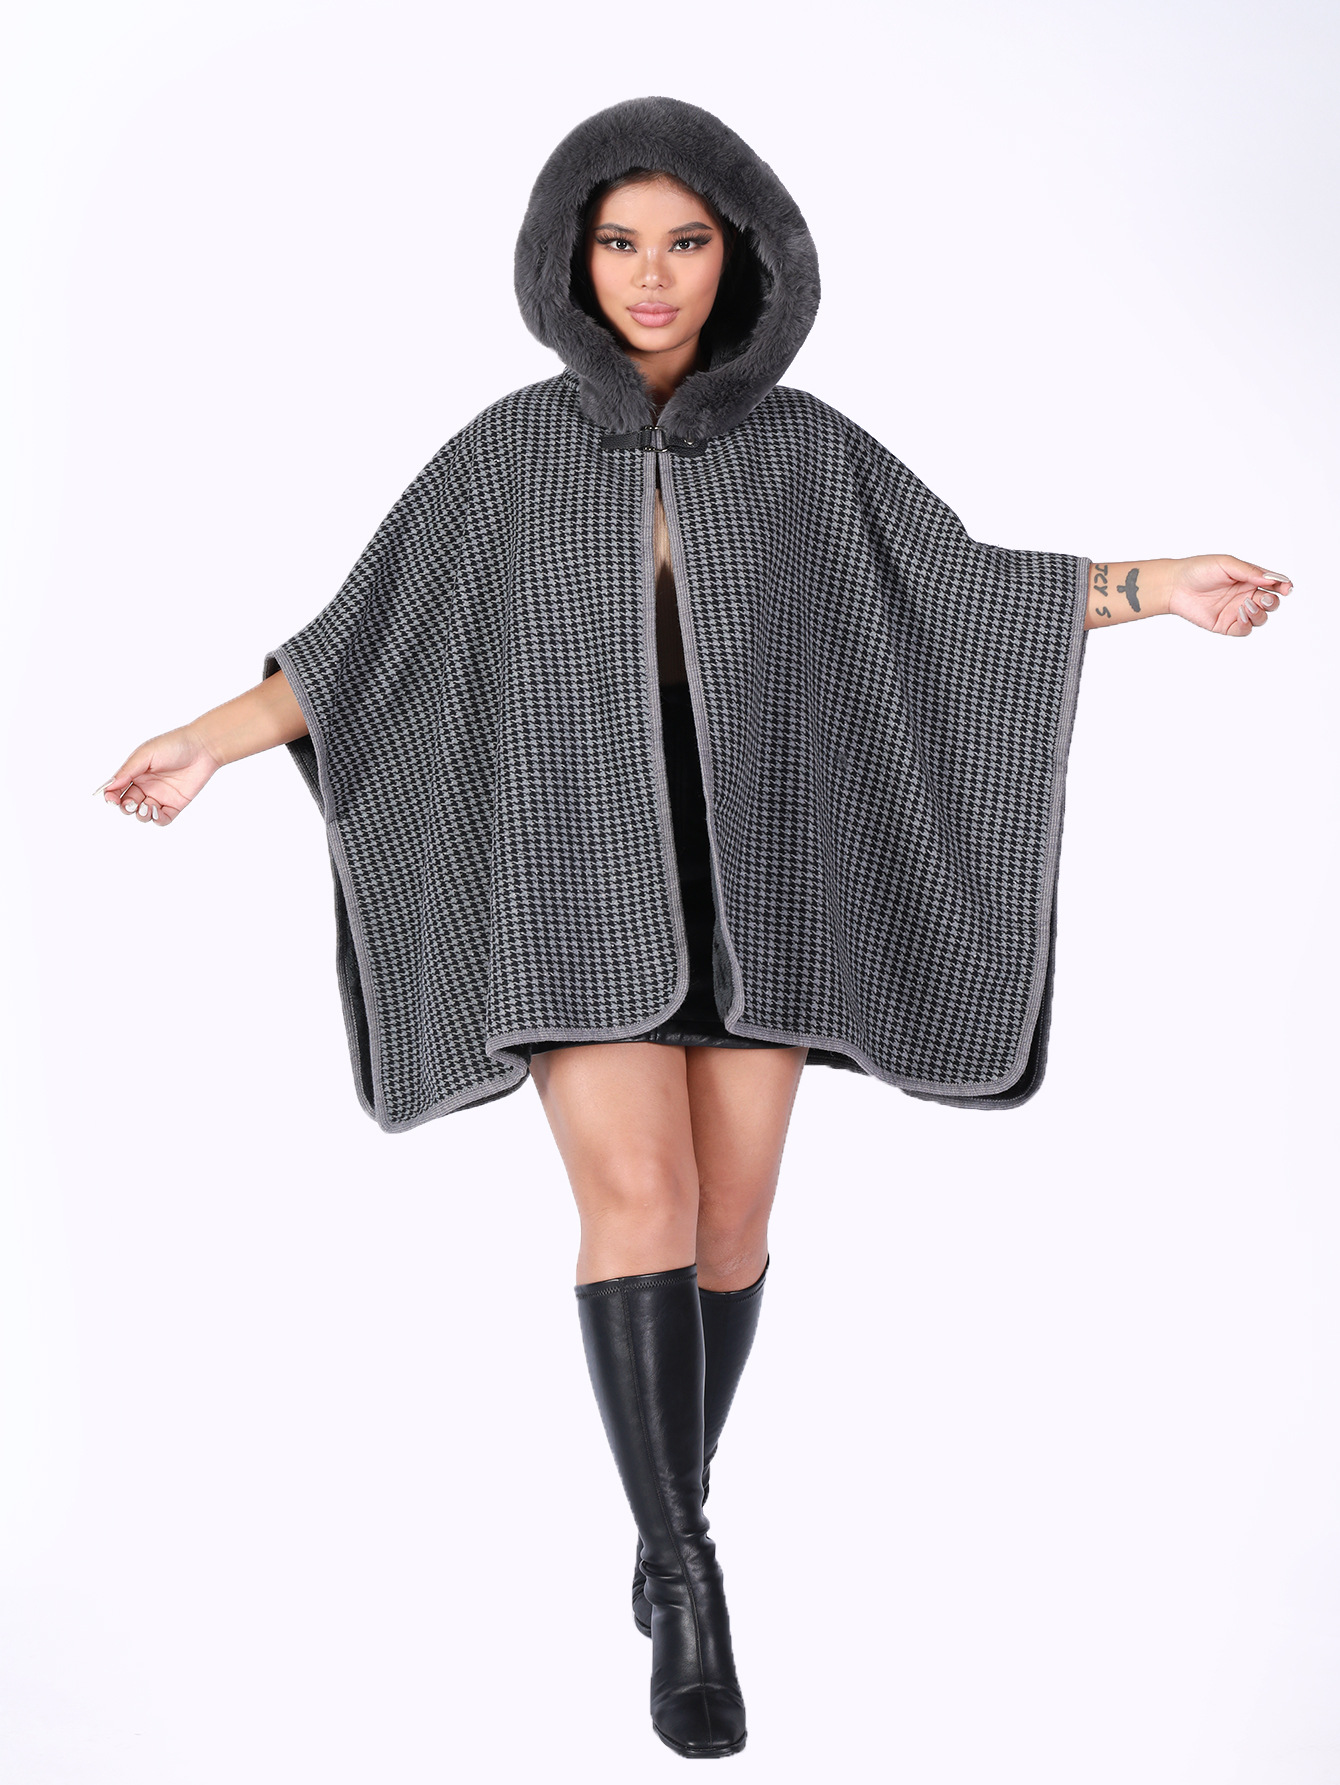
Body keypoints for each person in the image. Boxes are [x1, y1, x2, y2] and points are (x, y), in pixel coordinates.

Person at [96, 97, 1292, 1761]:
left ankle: (667, 1509)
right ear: (570, 259)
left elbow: (956, 594)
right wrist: (205, 742)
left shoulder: (805, 449)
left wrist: (1160, 584)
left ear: (741, 258)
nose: (651, 274)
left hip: (764, 890)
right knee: (642, 1195)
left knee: (729, 1228)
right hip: (570, 884)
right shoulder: (509, 451)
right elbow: (369, 645)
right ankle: (685, 1572)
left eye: (685, 240)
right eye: (619, 242)